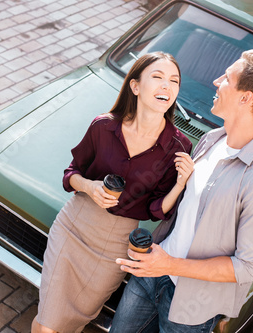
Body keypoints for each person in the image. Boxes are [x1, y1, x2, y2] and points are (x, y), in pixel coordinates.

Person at [110, 49, 253, 332]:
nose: (217, 82)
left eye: (227, 78)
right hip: (151, 272)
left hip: (191, 305)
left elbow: (247, 266)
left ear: (246, 98)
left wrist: (170, 265)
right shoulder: (212, 139)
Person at [31, 52, 193, 333]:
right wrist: (89, 186)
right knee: (48, 322)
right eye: (157, 77)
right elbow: (71, 174)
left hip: (116, 246)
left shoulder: (178, 147)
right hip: (74, 227)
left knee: (70, 323)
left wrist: (180, 184)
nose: (166, 86)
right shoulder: (103, 126)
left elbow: (157, 210)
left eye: (173, 81)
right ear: (135, 86)